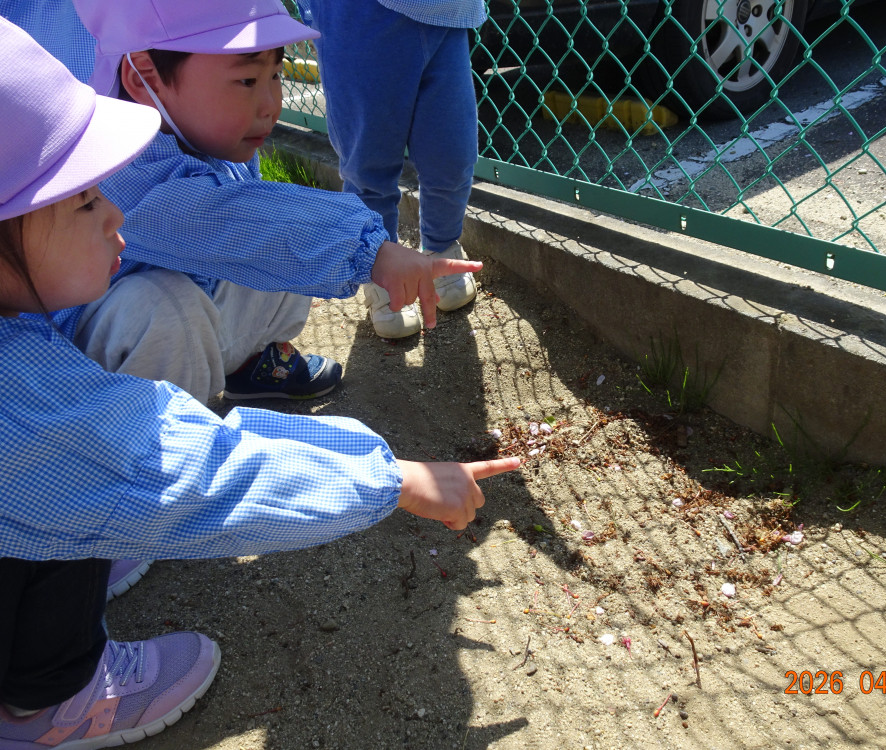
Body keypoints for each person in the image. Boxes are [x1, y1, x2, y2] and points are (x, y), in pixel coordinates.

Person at [0, 20, 520, 747]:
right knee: (82, 488)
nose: (114, 209)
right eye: (84, 199)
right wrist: (388, 478)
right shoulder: (22, 402)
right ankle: (48, 702)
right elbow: (173, 462)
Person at [34, 0, 482, 408]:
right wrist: (371, 252)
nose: (271, 104)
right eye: (247, 80)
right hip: (90, 362)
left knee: (284, 240)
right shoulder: (117, 160)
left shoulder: (200, 127)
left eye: (275, 75)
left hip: (193, 299)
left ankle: (247, 363)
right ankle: (158, 440)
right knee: (168, 305)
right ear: (143, 78)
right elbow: (218, 220)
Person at [301, 0, 484, 338]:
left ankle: (442, 247)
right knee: (367, 166)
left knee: (453, 157)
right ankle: (380, 272)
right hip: (359, 16)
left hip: (448, 13)